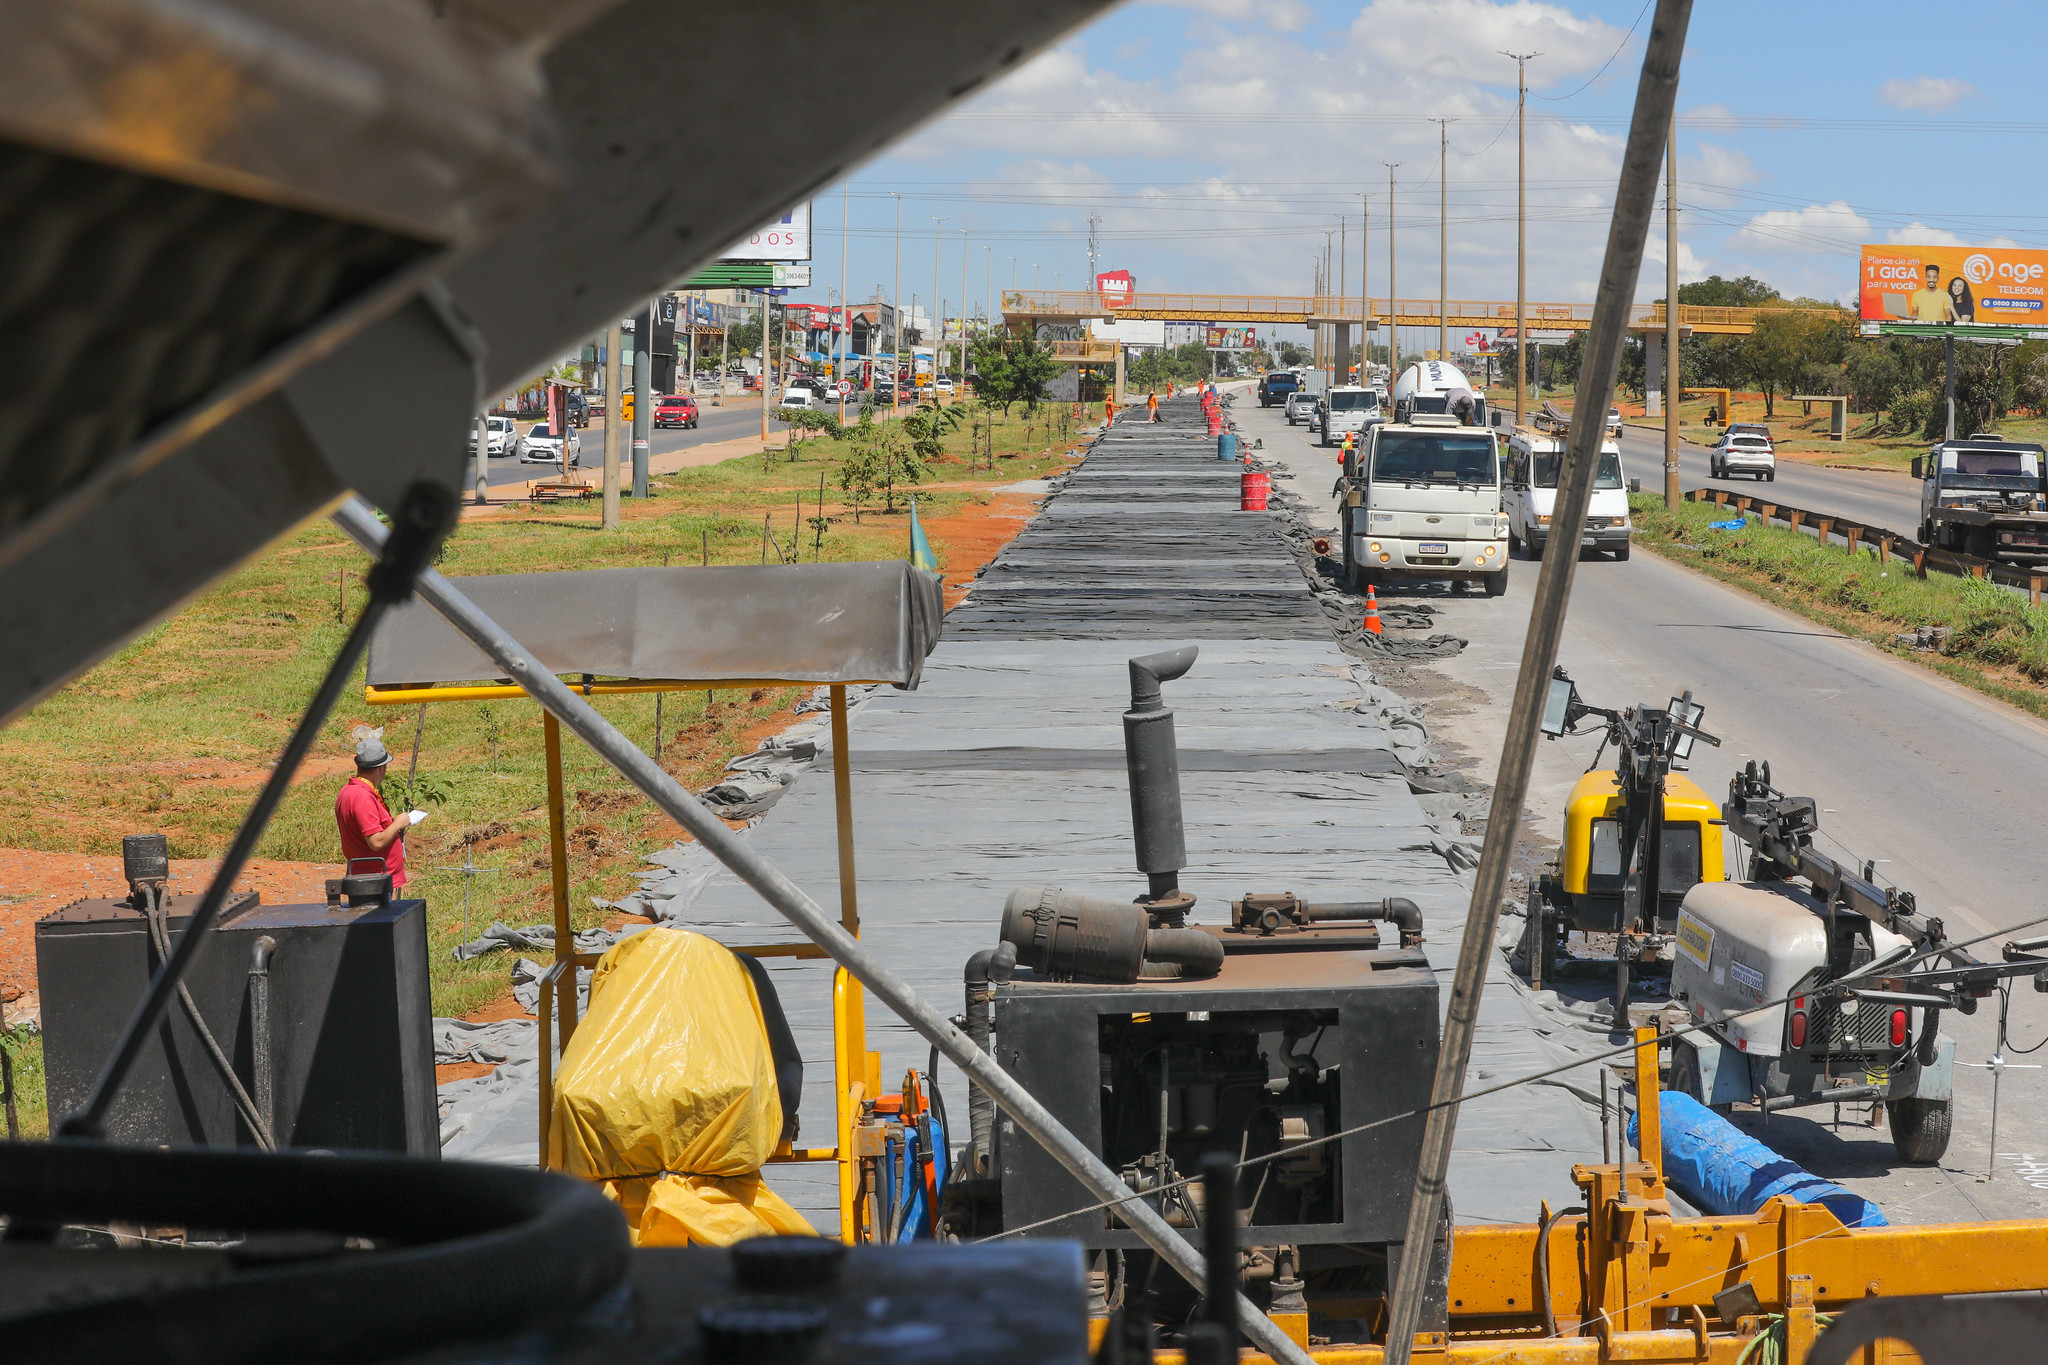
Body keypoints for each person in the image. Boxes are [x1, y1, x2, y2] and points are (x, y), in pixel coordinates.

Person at [335, 736, 423, 888]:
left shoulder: (348, 791)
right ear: (381, 768)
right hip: (375, 880)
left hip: (370, 876)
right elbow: (376, 842)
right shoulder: (362, 797)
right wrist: (398, 824)